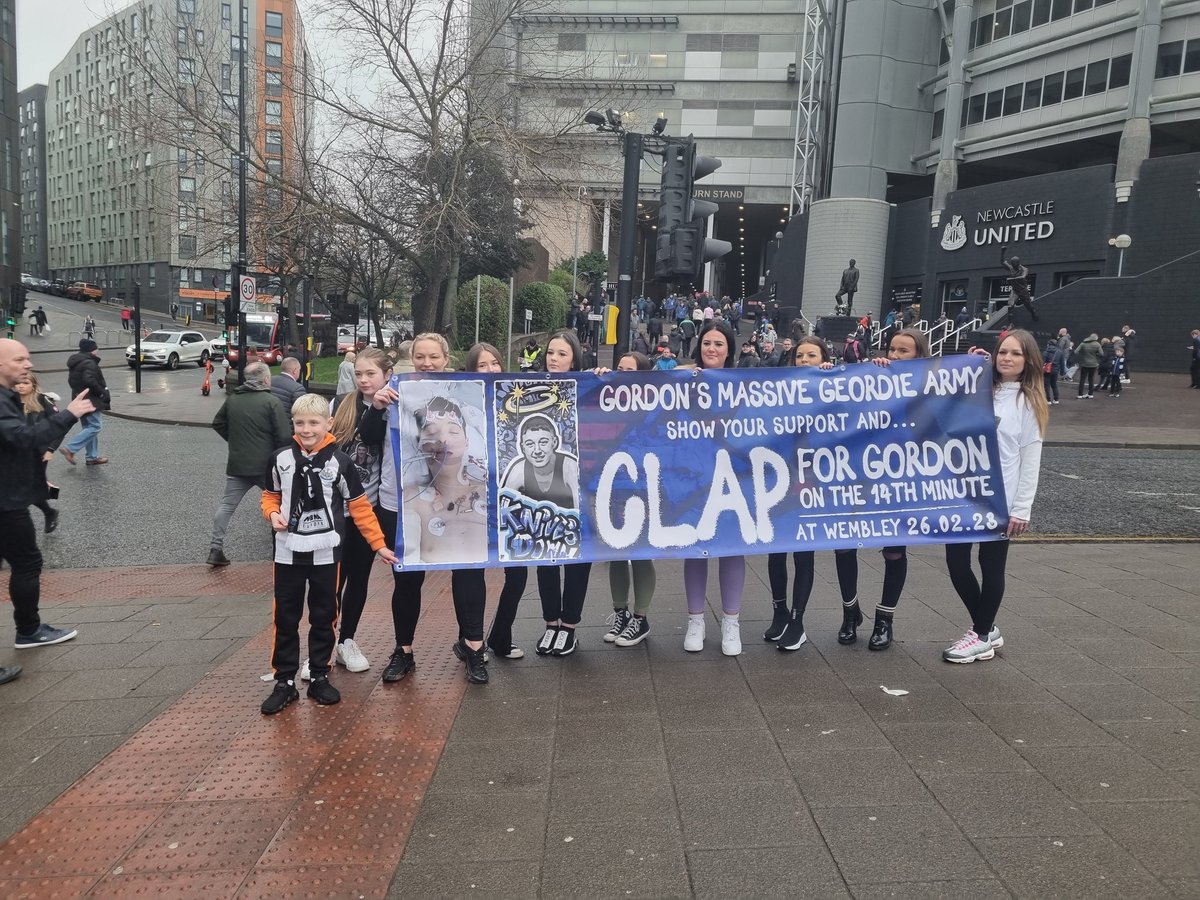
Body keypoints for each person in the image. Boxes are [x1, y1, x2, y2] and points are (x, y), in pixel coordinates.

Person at [258, 394, 397, 714]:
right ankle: (285, 681)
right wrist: (271, 514)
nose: (307, 429)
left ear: (328, 424)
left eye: (314, 423)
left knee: (324, 616)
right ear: (293, 424)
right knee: (285, 617)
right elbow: (270, 496)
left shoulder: (341, 463)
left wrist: (378, 544)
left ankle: (320, 674)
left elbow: (360, 507)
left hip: (326, 552)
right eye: (300, 423)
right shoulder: (279, 458)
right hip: (287, 552)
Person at [379, 332, 490, 685]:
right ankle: (404, 650)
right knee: (408, 577)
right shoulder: (396, 392)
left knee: (469, 572)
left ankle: (473, 646)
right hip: (405, 500)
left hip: (464, 500)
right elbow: (366, 434)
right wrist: (377, 405)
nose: (427, 363)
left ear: (446, 358)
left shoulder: (468, 390)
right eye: (420, 357)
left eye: (434, 357)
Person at [943, 329, 1046, 663]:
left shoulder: (1028, 403)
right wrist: (969, 368)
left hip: (1000, 498)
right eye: (1002, 352)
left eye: (1015, 353)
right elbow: (944, 401)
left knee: (991, 566)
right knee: (956, 563)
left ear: (1028, 359)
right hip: (964, 493)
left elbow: (1031, 459)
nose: (1007, 358)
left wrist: (1022, 509)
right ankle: (985, 627)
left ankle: (981, 635)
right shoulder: (983, 388)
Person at [829, 328, 932, 650]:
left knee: (894, 551)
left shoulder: (926, 387)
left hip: (898, 481)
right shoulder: (871, 377)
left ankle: (884, 619)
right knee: (844, 545)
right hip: (858, 475)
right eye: (893, 348)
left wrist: (975, 364)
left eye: (905, 351)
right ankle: (850, 613)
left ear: (919, 356)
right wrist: (829, 374)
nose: (896, 355)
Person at [0, 338, 94, 662]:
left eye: (28, 360)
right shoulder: (4, 402)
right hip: (8, 499)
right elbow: (22, 437)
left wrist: (51, 445)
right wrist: (70, 413)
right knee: (27, 563)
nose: (27, 365)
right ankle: (29, 630)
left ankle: (50, 509)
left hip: (24, 483)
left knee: (46, 494)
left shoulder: (33, 399)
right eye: (19, 360)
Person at [307, 347, 395, 679]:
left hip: (367, 510)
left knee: (357, 579)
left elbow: (375, 436)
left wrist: (378, 407)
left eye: (370, 373)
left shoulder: (394, 406)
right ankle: (320, 647)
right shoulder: (340, 404)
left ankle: (347, 640)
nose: (363, 379)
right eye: (358, 373)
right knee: (330, 580)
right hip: (332, 511)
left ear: (387, 373)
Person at [764, 336, 836, 651]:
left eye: (811, 355)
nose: (804, 360)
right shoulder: (779, 389)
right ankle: (779, 611)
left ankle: (798, 620)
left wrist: (835, 377)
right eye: (799, 355)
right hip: (778, 478)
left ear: (824, 358)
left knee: (803, 551)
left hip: (811, 481)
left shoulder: (833, 387)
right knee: (776, 549)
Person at [459, 343, 528, 662]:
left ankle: (502, 633)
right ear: (471, 371)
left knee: (518, 571)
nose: (491, 370)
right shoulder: (459, 403)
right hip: (470, 498)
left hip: (512, 497)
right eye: (483, 365)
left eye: (495, 363)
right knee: (468, 570)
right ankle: (470, 639)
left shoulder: (516, 396)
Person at [684, 320, 746, 656]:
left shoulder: (746, 383)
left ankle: (731, 622)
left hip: (734, 476)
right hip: (694, 475)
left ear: (729, 351)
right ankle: (696, 620)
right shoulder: (683, 380)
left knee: (732, 546)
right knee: (694, 546)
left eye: (719, 344)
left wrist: (824, 370)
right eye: (707, 342)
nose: (712, 349)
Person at [206, 361, 293, 566]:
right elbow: (283, 437)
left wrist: (234, 440)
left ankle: (215, 548)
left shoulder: (233, 399)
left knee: (227, 506)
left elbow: (218, 423)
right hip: (266, 467)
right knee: (282, 504)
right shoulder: (271, 402)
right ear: (265, 379)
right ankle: (283, 549)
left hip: (237, 464)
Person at [603, 352, 658, 647]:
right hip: (613, 486)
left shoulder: (653, 405)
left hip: (643, 487)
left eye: (629, 370)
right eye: (619, 369)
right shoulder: (606, 399)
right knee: (616, 551)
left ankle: (641, 617)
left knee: (640, 551)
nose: (621, 373)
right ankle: (620, 613)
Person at [14, 373, 62, 534]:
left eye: (25, 383)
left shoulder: (43, 400)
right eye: (18, 383)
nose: (21, 386)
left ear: (33, 385)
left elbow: (59, 425)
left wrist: (51, 449)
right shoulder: (10, 401)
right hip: (17, 451)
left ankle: (44, 514)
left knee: (25, 486)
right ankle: (49, 511)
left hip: (39, 452)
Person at [60, 339, 110, 467]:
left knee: (89, 428)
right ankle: (70, 448)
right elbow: (90, 380)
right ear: (92, 349)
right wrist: (101, 392)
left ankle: (92, 457)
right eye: (96, 348)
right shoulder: (89, 362)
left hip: (80, 398)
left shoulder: (77, 362)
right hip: (90, 399)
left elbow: (72, 381)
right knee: (95, 427)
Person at [1002, 256, 1038, 321]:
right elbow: (1002, 262)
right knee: (1010, 306)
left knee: (1028, 306)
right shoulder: (1011, 268)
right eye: (1011, 263)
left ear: (1017, 263)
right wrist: (1003, 251)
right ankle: (1011, 323)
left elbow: (1023, 276)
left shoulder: (1024, 269)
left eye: (1013, 263)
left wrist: (1011, 278)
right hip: (1015, 290)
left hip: (1023, 291)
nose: (1012, 265)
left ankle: (1033, 314)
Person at [1073, 332, 1102, 399]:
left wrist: (1083, 353)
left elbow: (1075, 352)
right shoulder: (1097, 344)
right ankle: (1090, 394)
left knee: (1082, 379)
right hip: (1094, 364)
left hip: (1084, 364)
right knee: (1091, 379)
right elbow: (1101, 354)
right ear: (1096, 338)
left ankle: (1080, 395)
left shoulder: (1083, 343)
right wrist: (1095, 355)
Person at [1042, 338, 1063, 404]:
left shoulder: (1046, 351)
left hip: (1047, 370)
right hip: (1055, 370)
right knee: (1054, 384)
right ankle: (1056, 399)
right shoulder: (1059, 352)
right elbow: (1062, 362)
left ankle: (1048, 400)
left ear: (1048, 344)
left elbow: (1042, 361)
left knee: (1046, 385)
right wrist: (1062, 371)